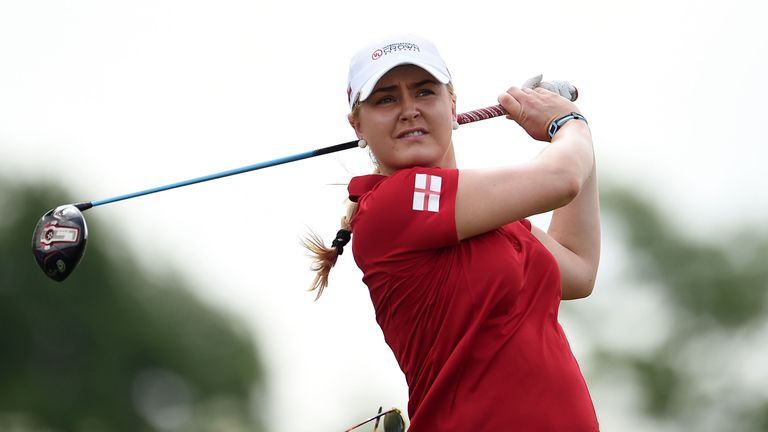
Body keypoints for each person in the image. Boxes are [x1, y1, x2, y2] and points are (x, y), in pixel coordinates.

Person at [304, 34, 600, 431]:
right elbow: (563, 177)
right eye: (387, 99)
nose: (409, 110)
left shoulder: (484, 215)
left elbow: (579, 268)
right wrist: (569, 126)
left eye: (424, 92)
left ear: (453, 104)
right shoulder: (393, 203)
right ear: (357, 124)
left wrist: (579, 137)